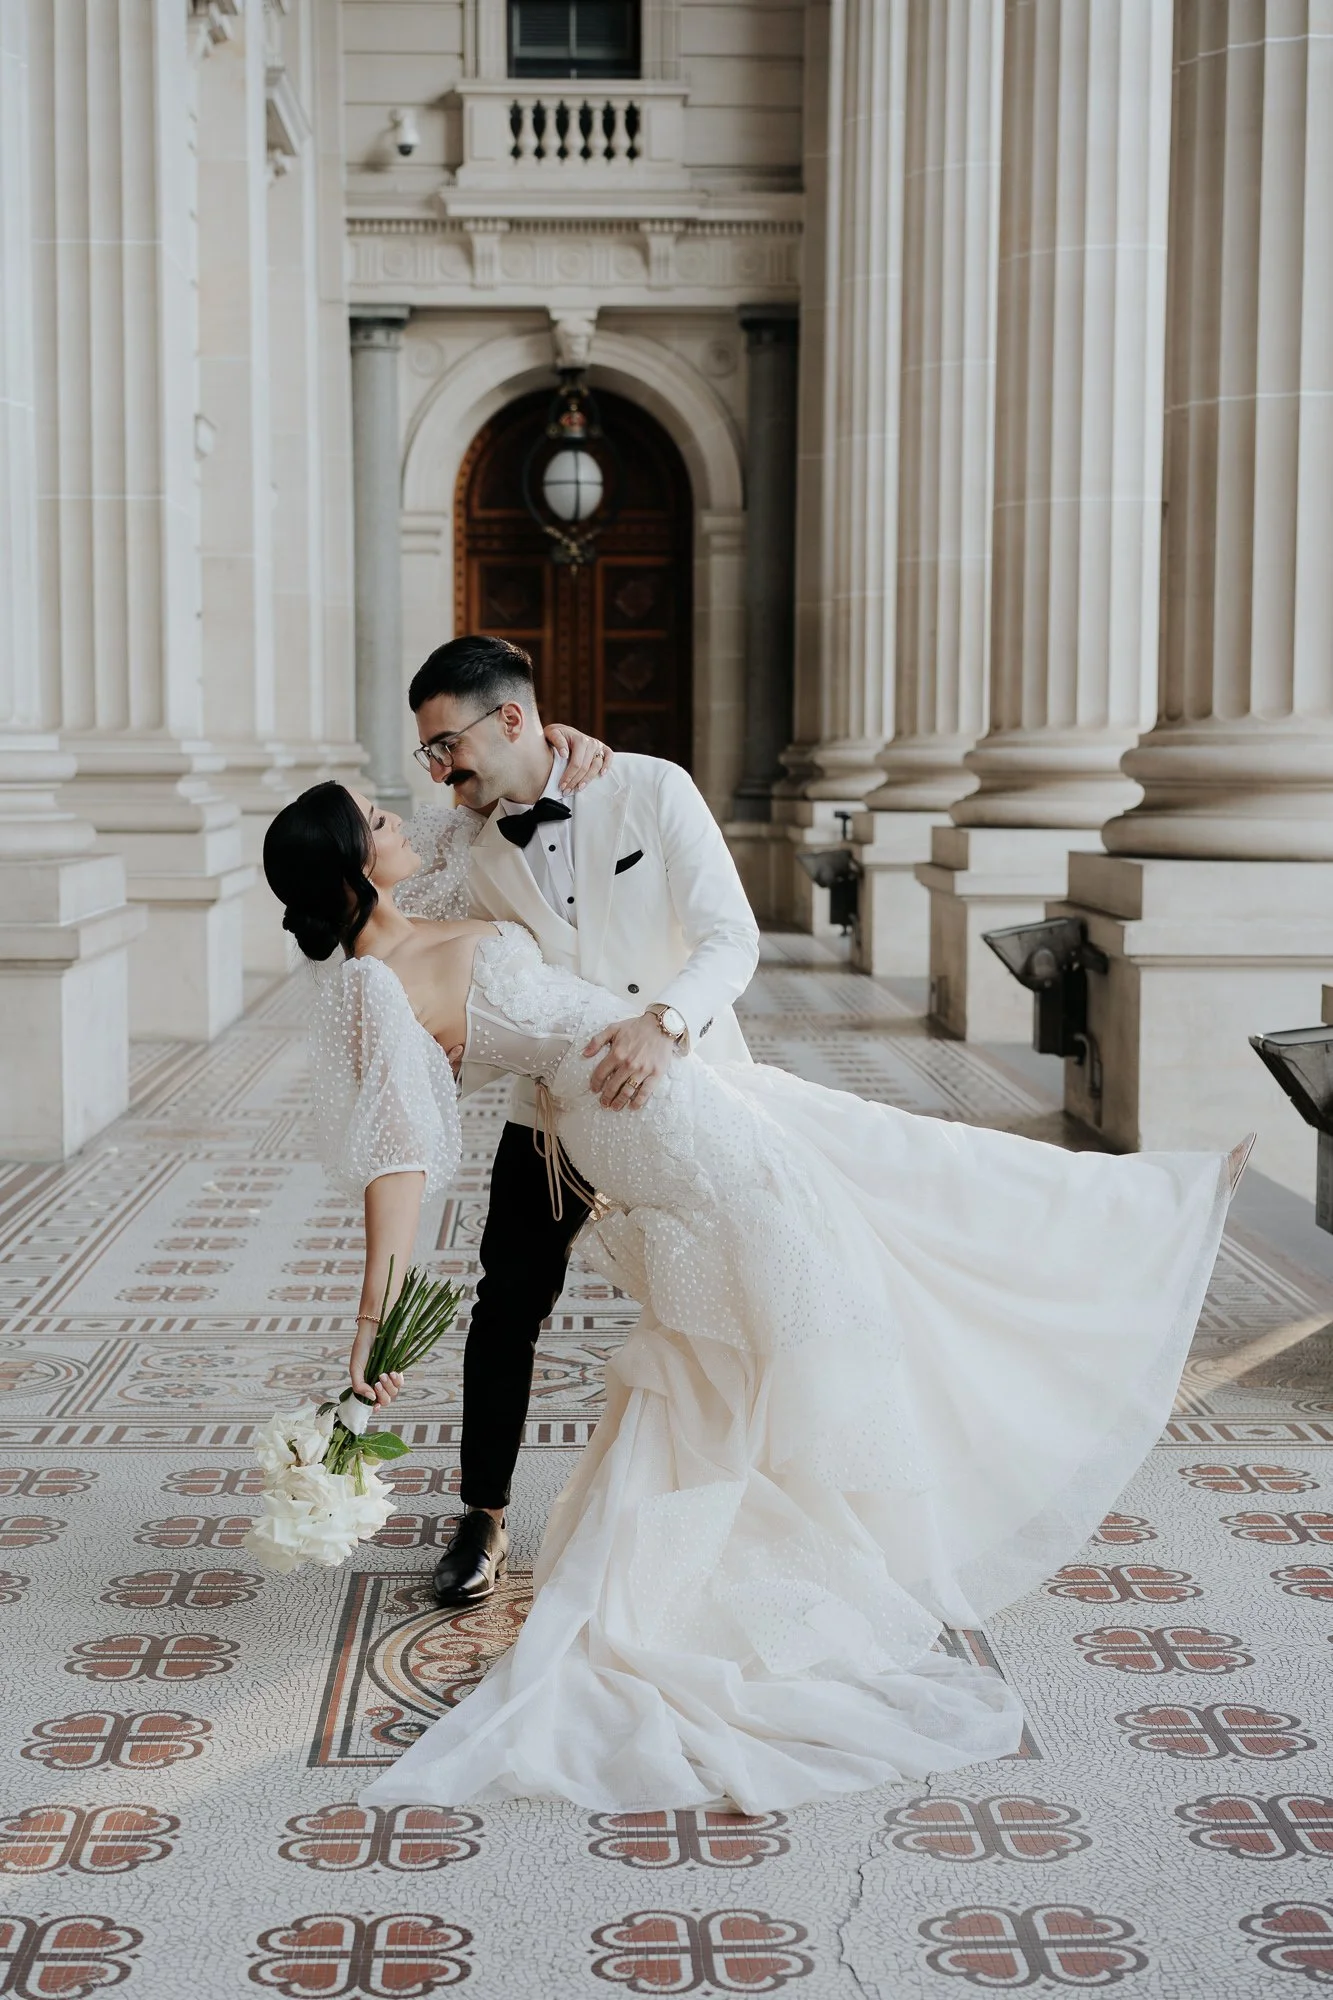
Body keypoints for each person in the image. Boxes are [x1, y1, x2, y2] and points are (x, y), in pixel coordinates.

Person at [262, 780, 1249, 1815]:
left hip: (679, 1079)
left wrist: (569, 750)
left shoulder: (440, 888)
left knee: (880, 1165)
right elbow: (396, 1164)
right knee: (808, 1276)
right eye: (376, 823)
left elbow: (486, 790)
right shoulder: (376, 988)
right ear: (349, 866)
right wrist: (370, 1328)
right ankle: (827, 1513)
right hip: (640, 1118)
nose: (401, 821)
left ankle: (1141, 1204)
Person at [390, 636, 759, 1610]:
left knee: (719, 1294)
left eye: (445, 746)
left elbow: (731, 934)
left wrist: (665, 1021)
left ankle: (726, 1507)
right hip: (551, 1111)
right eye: (428, 755)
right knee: (505, 1302)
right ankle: (483, 1513)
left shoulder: (650, 787)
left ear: (512, 718)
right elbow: (371, 882)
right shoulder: (466, 843)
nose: (437, 768)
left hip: (682, 1090)